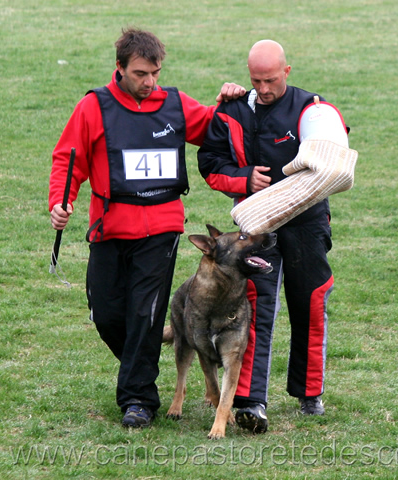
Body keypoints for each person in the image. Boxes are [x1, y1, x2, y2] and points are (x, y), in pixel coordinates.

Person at [49, 27, 245, 429]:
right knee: (106, 314)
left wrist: (227, 102)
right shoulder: (94, 107)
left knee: (145, 313)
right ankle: (139, 362)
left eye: (154, 73)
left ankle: (138, 398)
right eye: (140, 73)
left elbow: (215, 127)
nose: (149, 81)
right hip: (109, 229)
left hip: (161, 230)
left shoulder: (173, 104)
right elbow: (68, 158)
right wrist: (60, 200)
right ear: (119, 68)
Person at [197, 39, 350, 433]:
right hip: (255, 228)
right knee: (254, 308)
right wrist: (243, 178)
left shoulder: (311, 108)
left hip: (307, 223)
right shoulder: (231, 111)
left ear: (287, 72)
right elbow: (210, 163)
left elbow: (333, 150)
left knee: (310, 303)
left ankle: (309, 394)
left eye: (270, 80)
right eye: (255, 81)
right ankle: (251, 400)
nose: (263, 89)